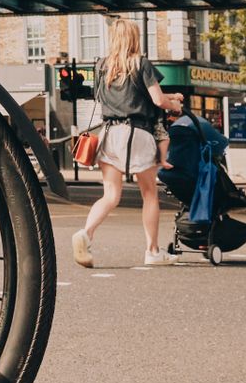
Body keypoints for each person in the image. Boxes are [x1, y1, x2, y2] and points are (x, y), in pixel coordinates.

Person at [71, 20, 184, 268]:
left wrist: (170, 96)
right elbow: (157, 100)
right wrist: (174, 104)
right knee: (149, 193)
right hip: (138, 134)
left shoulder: (102, 65)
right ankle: (152, 251)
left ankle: (86, 234)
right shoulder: (141, 64)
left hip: (109, 134)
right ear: (135, 38)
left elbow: (101, 98)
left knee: (110, 195)